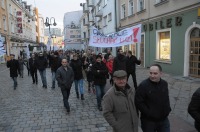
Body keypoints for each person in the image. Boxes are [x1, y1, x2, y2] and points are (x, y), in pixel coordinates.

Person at [135, 64, 171, 132]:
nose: (152, 76)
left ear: (161, 73)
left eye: (155, 73)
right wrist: (150, 113)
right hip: (149, 121)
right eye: (150, 73)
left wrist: (167, 109)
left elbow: (166, 98)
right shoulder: (143, 86)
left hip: (163, 119)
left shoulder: (164, 84)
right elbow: (139, 103)